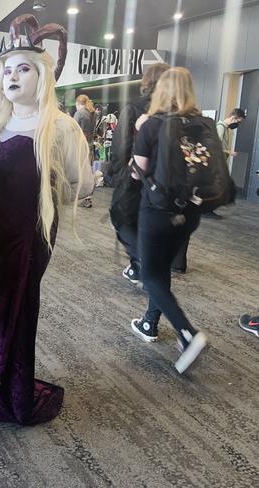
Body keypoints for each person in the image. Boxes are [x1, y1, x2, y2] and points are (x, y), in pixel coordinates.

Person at [0, 15, 93, 425]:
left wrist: (51, 188)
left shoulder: (60, 127)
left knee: (13, 310)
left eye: (23, 68)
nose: (12, 76)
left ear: (43, 75)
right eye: (6, 70)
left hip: (29, 239)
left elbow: (85, 185)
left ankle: (7, 389)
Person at [129, 67, 208, 373]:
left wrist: (139, 135)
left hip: (157, 209)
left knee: (149, 274)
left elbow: (138, 171)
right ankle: (150, 322)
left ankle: (187, 333)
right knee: (161, 268)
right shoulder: (204, 124)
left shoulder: (151, 124)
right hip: (190, 211)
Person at [109, 63, 170, 285]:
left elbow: (120, 147)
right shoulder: (178, 110)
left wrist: (117, 178)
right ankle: (138, 266)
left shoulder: (136, 108)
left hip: (136, 179)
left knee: (122, 220)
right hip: (167, 183)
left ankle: (146, 263)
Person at [206, 108, 247, 219]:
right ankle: (207, 210)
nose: (238, 124)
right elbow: (216, 145)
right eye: (238, 121)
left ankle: (209, 209)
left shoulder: (225, 128)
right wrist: (230, 152)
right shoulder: (220, 127)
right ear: (233, 118)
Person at [74, 94, 96, 207]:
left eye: (76, 105)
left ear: (78, 104)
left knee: (79, 172)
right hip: (90, 145)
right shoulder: (93, 113)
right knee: (89, 171)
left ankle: (80, 197)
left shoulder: (79, 114)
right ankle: (88, 198)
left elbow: (72, 130)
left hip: (80, 146)